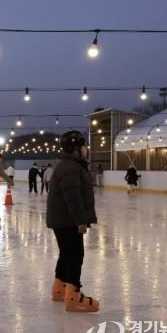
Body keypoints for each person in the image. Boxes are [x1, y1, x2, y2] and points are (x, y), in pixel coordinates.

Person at [46, 131, 99, 312]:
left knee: (67, 254)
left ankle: (59, 289)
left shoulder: (69, 165)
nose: (86, 149)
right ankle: (73, 296)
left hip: (62, 218)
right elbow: (73, 197)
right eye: (84, 146)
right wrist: (80, 221)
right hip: (67, 220)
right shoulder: (71, 167)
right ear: (76, 148)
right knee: (75, 255)